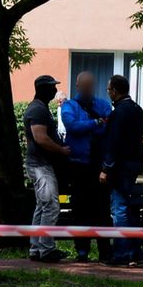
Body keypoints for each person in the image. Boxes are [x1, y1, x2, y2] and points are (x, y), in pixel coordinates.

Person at [60, 71, 113, 263]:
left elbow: (108, 127)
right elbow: (72, 126)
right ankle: (82, 251)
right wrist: (96, 122)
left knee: (102, 210)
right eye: (84, 86)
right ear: (77, 86)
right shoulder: (69, 106)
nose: (88, 90)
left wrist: (91, 125)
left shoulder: (103, 105)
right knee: (80, 209)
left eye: (91, 86)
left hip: (98, 166)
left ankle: (105, 251)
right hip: (79, 166)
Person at [23, 74, 72, 263]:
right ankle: (46, 250)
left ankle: (36, 248)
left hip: (39, 165)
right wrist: (62, 150)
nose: (55, 90)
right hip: (41, 166)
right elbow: (40, 138)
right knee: (51, 206)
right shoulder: (37, 110)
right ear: (42, 89)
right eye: (52, 86)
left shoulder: (40, 108)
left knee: (41, 207)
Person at [101, 73, 143, 267]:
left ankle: (121, 253)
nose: (108, 92)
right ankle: (135, 251)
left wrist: (106, 168)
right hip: (134, 164)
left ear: (115, 91)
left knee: (118, 209)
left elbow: (114, 143)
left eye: (109, 89)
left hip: (120, 167)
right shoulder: (136, 109)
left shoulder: (118, 112)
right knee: (128, 209)